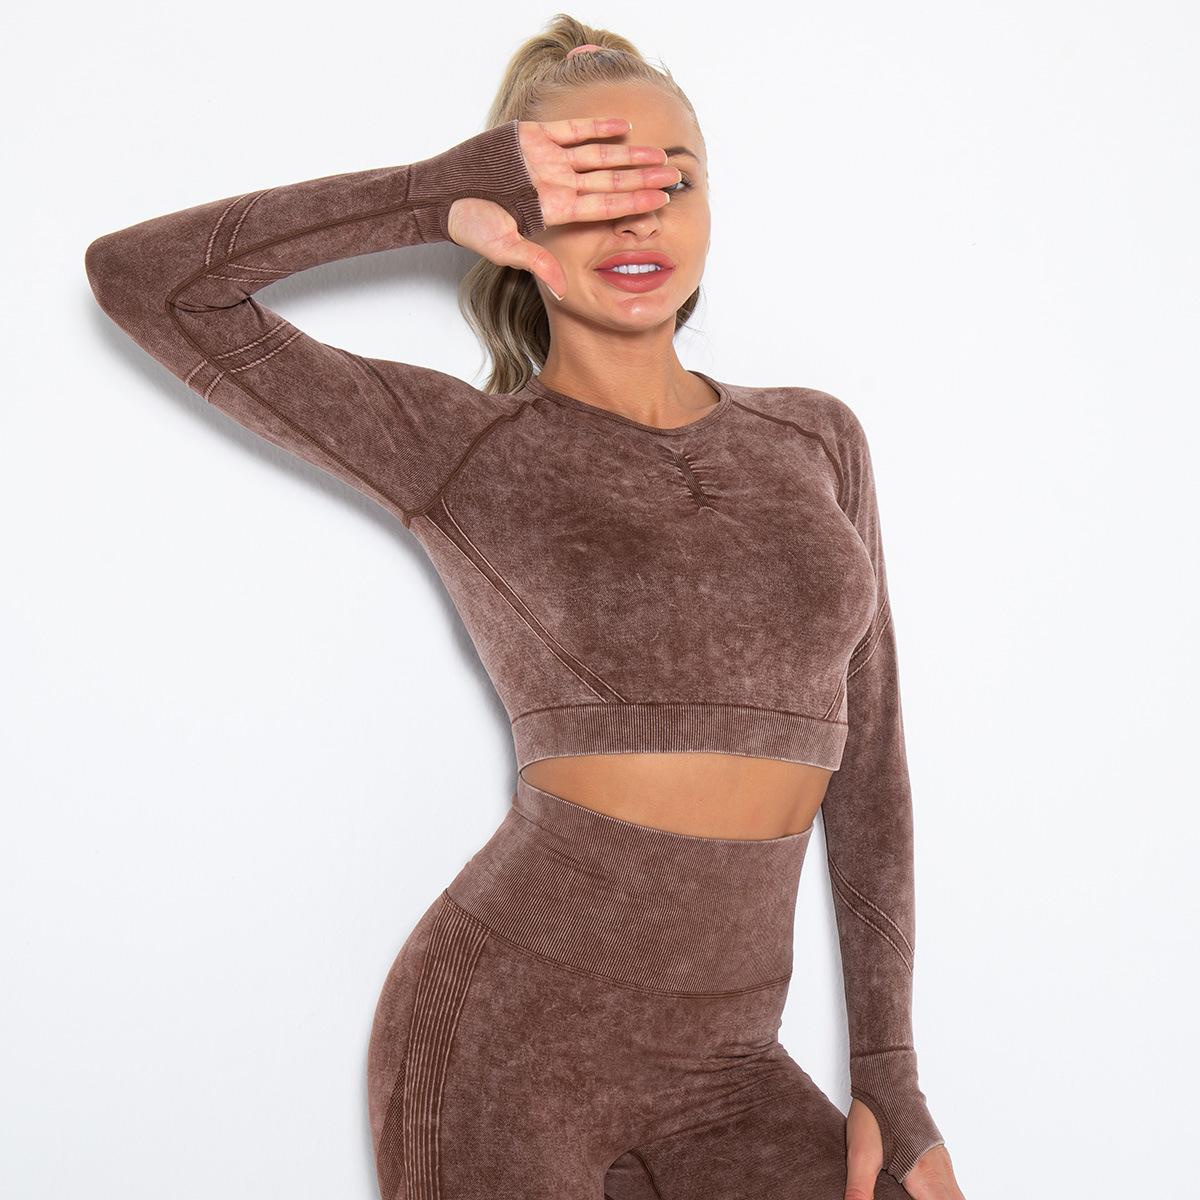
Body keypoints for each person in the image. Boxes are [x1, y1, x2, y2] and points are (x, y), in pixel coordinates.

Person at [84, 15, 964, 1200]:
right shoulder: (463, 447)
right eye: (585, 188)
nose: (637, 219)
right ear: (521, 222)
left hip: (731, 1062)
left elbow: (872, 768)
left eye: (670, 181)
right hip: (508, 1034)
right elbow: (143, 280)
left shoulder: (814, 438)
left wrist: (889, 1071)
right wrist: (430, 195)